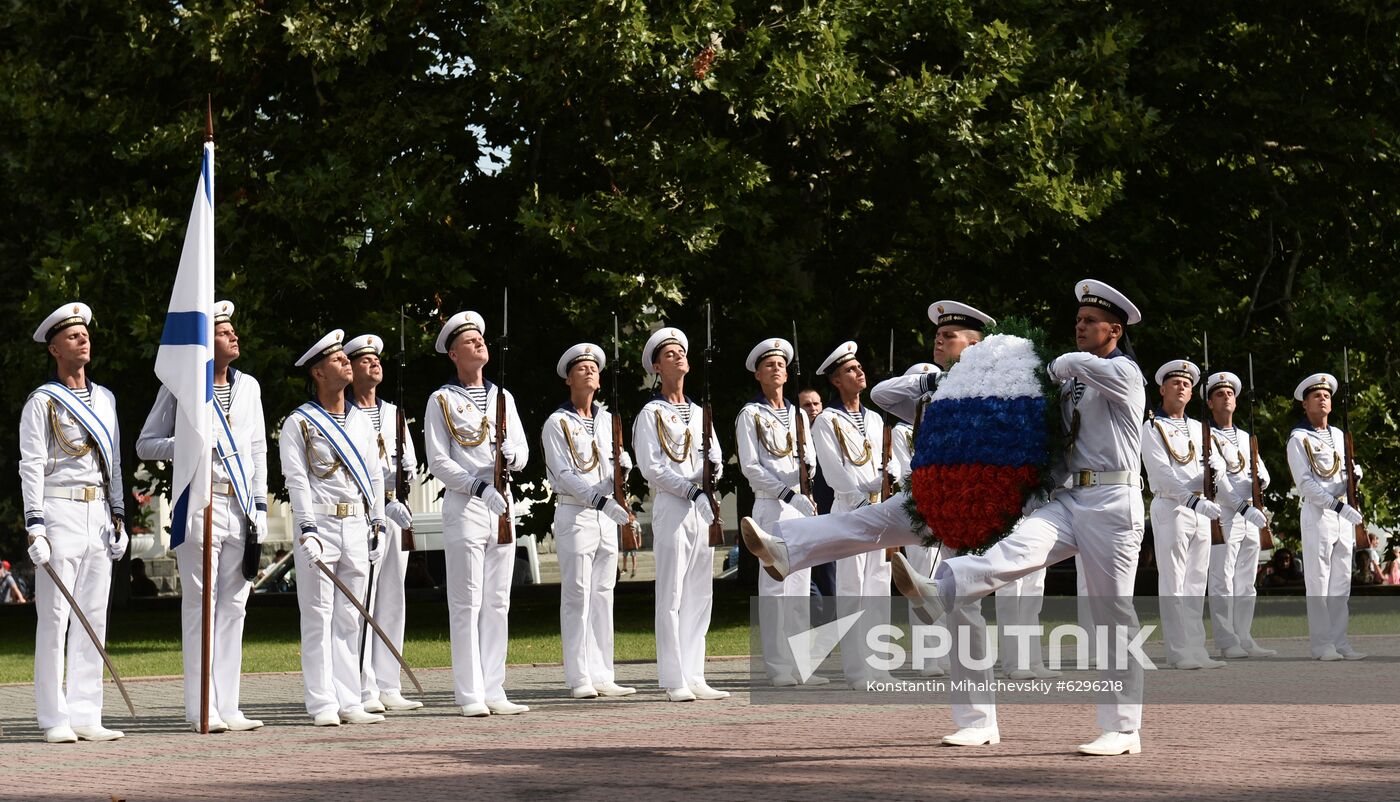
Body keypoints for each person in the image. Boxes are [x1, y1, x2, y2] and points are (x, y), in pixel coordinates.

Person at [749, 280, 1151, 755]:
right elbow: (884, 393)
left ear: (1115, 328)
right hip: (1015, 495)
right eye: (1078, 320)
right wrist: (938, 380)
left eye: (1090, 322)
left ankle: (1123, 728)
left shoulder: (1118, 372)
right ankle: (796, 549)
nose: (1079, 326)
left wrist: (1043, 364)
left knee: (1109, 613)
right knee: (969, 545)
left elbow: (1062, 397)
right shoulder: (964, 386)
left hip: (1091, 500)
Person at [137, 300, 269, 732]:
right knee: (200, 606)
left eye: (233, 329)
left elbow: (257, 450)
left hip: (240, 506)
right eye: (224, 330)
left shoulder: (249, 387)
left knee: (235, 607)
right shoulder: (183, 386)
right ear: (205, 341)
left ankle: (228, 704)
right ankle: (200, 706)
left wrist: (261, 505)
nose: (233, 335)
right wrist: (187, 444)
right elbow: (146, 443)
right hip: (200, 504)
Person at [20, 302, 127, 743]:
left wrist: (119, 516)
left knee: (93, 616)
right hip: (59, 511)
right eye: (73, 335)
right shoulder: (42, 402)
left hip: (98, 512)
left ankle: (87, 712)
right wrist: (35, 525)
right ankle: (54, 717)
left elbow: (114, 461)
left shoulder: (106, 399)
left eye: (85, 332)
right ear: (54, 348)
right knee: (56, 617)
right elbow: (31, 465)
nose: (83, 339)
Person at [424, 310, 531, 716]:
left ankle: (495, 688)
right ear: (454, 353)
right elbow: (438, 460)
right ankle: (469, 692)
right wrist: (478, 486)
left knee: (498, 600)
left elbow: (521, 449)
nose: (478, 344)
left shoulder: (503, 397)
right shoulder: (442, 400)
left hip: (501, 504)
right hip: (467, 503)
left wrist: (513, 458)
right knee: (467, 601)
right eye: (469, 341)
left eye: (480, 339)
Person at [280, 329, 388, 726]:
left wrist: (376, 520)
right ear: (318, 372)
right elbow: (298, 480)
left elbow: (375, 476)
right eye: (337, 360)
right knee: (318, 614)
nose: (346, 362)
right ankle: (322, 702)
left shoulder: (362, 420)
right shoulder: (300, 423)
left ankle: (350, 698)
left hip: (356, 523)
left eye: (346, 357)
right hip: (320, 523)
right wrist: (305, 528)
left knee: (350, 616)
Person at [632, 326, 729, 702]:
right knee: (671, 592)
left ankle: (696, 673)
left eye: (680, 351)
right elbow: (651, 467)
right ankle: (674, 678)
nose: (678, 356)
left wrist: (710, 479)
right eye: (668, 353)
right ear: (657, 366)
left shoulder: (700, 411)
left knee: (700, 592)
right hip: (674, 505)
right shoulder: (651, 413)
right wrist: (691, 489)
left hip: (702, 506)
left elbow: (716, 455)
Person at [541, 342, 638, 699]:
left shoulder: (608, 420)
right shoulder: (558, 422)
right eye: (581, 368)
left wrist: (623, 469)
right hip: (576, 513)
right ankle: (578, 675)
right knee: (577, 593)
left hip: (606, 515)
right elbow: (564, 473)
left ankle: (604, 672)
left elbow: (608, 466)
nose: (590, 371)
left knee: (603, 594)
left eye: (594, 368)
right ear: (569, 379)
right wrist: (599, 499)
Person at [734, 337, 824, 687]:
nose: (777, 368)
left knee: (800, 588)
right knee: (775, 588)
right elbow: (751, 466)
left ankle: (801, 665)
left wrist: (806, 481)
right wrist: (788, 491)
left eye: (781, 364)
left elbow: (810, 460)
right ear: (758, 374)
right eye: (769, 364)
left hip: (800, 505)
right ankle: (777, 666)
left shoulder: (798, 414)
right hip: (772, 505)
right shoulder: (750, 414)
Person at [341, 334, 422, 714]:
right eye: (364, 360)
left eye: (377, 359)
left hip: (395, 510)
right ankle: (362, 686)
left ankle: (388, 682)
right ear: (350, 368)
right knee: (364, 600)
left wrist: (404, 483)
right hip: (363, 513)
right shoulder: (346, 413)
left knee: (392, 598)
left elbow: (409, 463)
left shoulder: (393, 413)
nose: (374, 364)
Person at [1141, 359, 1226, 671]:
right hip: (1172, 507)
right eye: (1175, 383)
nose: (1181, 387)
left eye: (1187, 384)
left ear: (1192, 394)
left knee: (1196, 581)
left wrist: (1214, 475)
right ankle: (1178, 650)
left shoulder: (1200, 429)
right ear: (1162, 389)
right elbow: (1162, 474)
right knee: (1174, 581)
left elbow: (1213, 469)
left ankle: (1196, 647)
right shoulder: (1152, 427)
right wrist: (1193, 499)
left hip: (1201, 509)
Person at [1287, 372, 1366, 661]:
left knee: (1341, 581)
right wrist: (1337, 505)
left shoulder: (1339, 436)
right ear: (1305, 404)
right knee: (1319, 581)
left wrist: (1357, 474)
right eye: (1316, 396)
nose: (1323, 399)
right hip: (1320, 513)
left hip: (1344, 514)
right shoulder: (1298, 438)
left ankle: (1340, 641)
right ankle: (1322, 644)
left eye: (1327, 395)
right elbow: (1305, 483)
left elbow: (1345, 471)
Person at [1202, 370, 1276, 659]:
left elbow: (1262, 472)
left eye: (1230, 393)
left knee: (1246, 580)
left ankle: (1244, 637)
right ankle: (1226, 639)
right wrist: (1243, 502)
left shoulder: (1245, 437)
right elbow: (1218, 480)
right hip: (1225, 514)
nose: (1226, 397)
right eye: (1219, 394)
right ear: (1210, 403)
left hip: (1250, 514)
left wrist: (1259, 485)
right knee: (1222, 578)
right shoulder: (1206, 435)